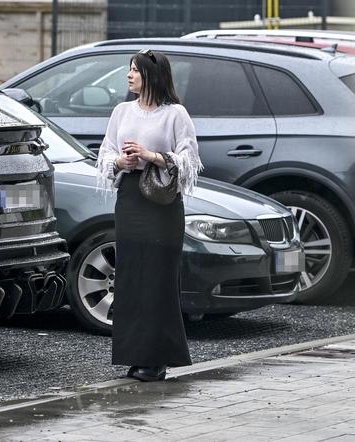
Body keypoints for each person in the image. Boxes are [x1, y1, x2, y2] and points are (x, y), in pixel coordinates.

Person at [96, 49, 203, 382]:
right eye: (128, 70)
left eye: (135, 71)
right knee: (130, 278)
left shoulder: (175, 115)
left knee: (157, 280)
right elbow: (105, 154)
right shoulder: (121, 110)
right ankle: (134, 356)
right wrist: (120, 162)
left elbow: (188, 163)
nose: (128, 76)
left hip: (162, 205)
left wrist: (151, 155)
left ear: (152, 76)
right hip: (130, 198)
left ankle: (156, 359)